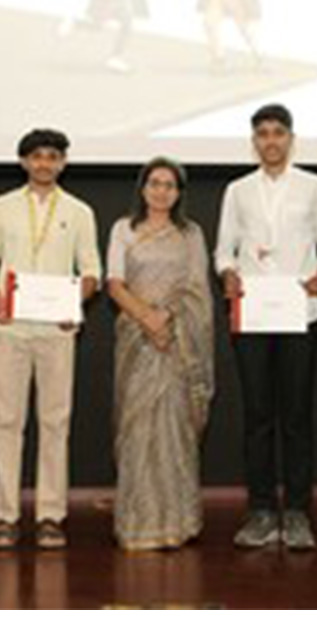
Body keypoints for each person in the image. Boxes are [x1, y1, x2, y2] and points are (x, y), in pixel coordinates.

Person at [215, 103, 317, 550]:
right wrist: (228, 274)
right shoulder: (237, 190)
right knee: (258, 417)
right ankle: (262, 511)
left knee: (297, 417)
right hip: (252, 314)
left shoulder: (315, 186)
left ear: (291, 139)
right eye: (263, 134)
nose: (271, 141)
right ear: (255, 141)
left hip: (300, 313)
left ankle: (299, 512)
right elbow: (224, 251)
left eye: (278, 133)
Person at [0, 128, 102, 550]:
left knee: (55, 422)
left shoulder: (79, 211)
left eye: (52, 156)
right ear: (24, 161)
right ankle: (6, 516)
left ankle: (50, 516)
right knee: (6, 422)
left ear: (62, 163)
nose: (44, 163)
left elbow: (92, 272)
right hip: (9, 329)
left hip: (57, 332)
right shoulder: (0, 207)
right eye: (37, 156)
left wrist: (74, 303)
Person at [105, 158, 215, 550]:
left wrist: (166, 317)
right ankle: (139, 524)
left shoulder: (190, 234)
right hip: (136, 338)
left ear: (179, 193)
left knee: (175, 431)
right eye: (154, 183)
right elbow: (114, 283)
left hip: (179, 340)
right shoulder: (124, 229)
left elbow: (196, 288)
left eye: (170, 185)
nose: (161, 191)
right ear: (143, 188)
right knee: (136, 428)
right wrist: (147, 318)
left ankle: (178, 522)